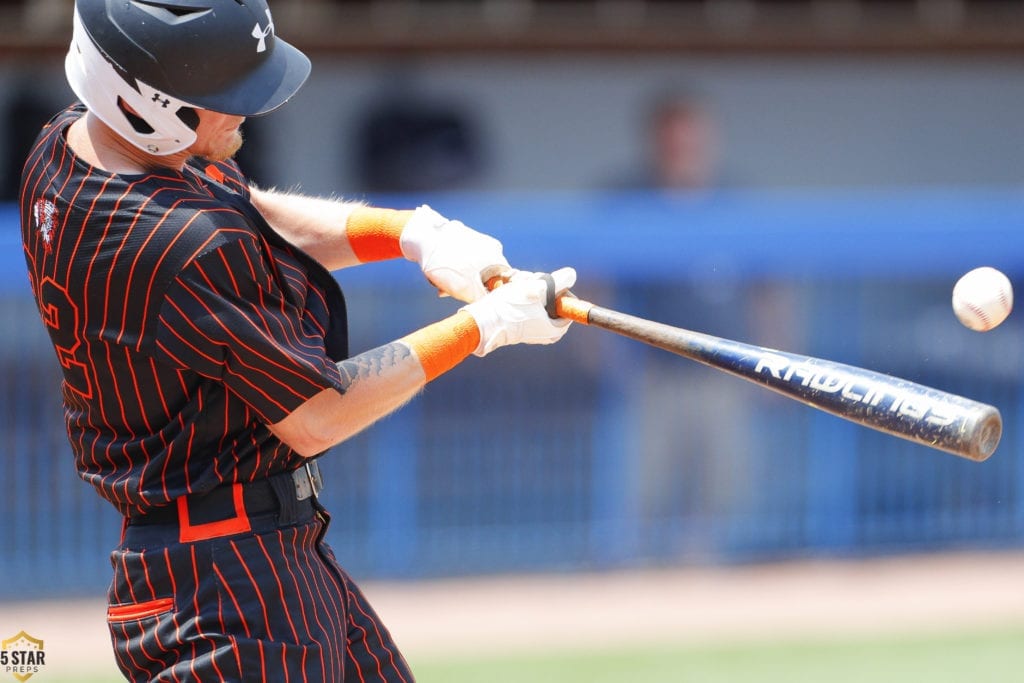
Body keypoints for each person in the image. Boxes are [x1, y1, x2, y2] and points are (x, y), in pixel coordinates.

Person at [19, 1, 574, 681]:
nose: (245, 111)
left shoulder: (67, 146)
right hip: (223, 591)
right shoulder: (179, 245)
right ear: (148, 103)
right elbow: (320, 412)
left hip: (258, 556)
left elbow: (243, 206)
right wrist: (483, 328)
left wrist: (409, 234)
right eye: (221, 96)